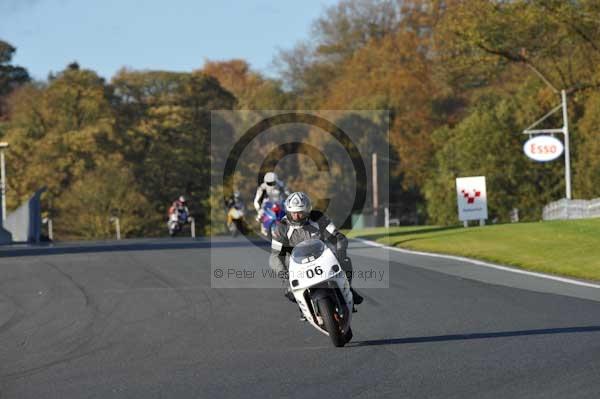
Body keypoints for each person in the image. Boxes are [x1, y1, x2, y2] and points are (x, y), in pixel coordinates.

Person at [269, 191, 363, 308]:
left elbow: (338, 237)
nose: (297, 217)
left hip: (321, 256)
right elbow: (275, 254)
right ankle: (302, 303)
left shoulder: (318, 217)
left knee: (345, 260)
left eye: (300, 213)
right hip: (296, 263)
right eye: (293, 213)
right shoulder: (281, 227)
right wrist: (286, 278)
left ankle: (348, 289)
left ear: (307, 210)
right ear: (288, 211)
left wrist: (340, 253)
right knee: (277, 263)